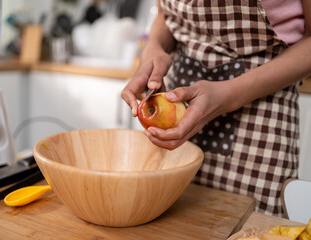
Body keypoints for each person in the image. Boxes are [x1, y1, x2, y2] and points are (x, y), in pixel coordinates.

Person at [121, 0, 311, 217]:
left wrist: (228, 94)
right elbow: (166, 15)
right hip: (177, 106)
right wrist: (153, 48)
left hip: (259, 115)